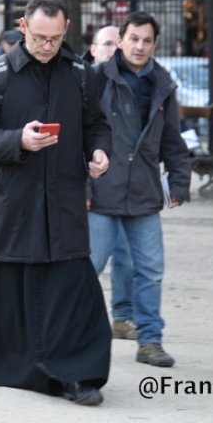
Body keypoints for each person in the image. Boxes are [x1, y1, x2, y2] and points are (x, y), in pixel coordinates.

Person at [0, 0, 112, 406]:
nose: (48, 47)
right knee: (9, 293)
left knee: (74, 293)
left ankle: (80, 375)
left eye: (56, 38)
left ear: (66, 31)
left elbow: (96, 126)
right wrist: (18, 141)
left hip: (61, 205)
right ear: (23, 27)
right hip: (9, 207)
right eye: (40, 37)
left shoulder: (81, 73)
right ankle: (19, 371)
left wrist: (98, 153)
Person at [88, 12, 191, 369]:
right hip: (101, 191)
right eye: (133, 38)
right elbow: (81, 136)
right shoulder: (98, 77)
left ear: (154, 44)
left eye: (147, 41)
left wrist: (179, 181)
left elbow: (172, 140)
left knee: (150, 269)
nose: (139, 46)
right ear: (120, 40)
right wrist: (84, 184)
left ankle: (150, 341)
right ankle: (76, 336)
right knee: (89, 267)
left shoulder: (162, 83)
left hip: (145, 193)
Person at [84, 24, 137, 340]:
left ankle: (123, 315)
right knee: (94, 258)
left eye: (119, 44)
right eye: (107, 44)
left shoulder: (132, 83)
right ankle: (81, 314)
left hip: (128, 189)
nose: (114, 51)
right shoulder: (85, 82)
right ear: (93, 49)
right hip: (94, 187)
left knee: (127, 256)